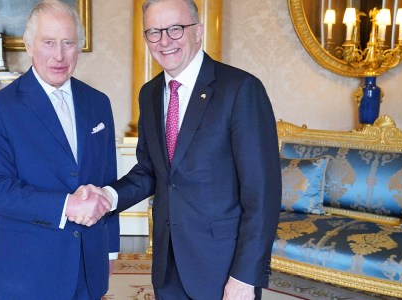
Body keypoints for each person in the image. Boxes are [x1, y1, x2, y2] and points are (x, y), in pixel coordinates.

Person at [94, 0, 282, 299]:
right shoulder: (150, 93)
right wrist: (108, 196)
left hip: (222, 265)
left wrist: (245, 276)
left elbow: (262, 193)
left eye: (175, 29)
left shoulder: (240, 89)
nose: (164, 41)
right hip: (168, 261)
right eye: (154, 32)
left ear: (198, 31)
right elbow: (151, 170)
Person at [0, 1, 119, 299]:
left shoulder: (98, 102)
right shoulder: (0, 107)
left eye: (68, 43)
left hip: (87, 260)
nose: (59, 55)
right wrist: (67, 206)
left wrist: (110, 247)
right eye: (49, 42)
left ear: (79, 46)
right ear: (29, 46)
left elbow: (108, 179)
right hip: (26, 267)